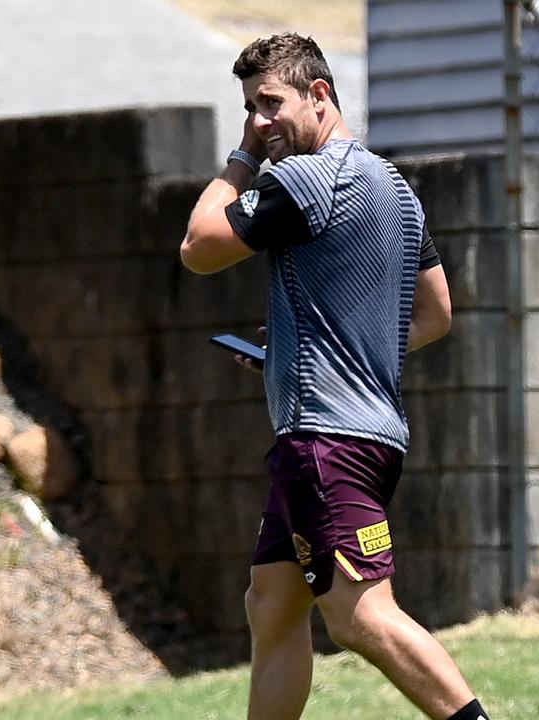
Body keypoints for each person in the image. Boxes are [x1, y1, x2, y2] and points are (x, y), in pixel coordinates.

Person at [180, 33, 491, 720]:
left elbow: (199, 248)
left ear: (319, 95)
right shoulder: (395, 189)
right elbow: (436, 314)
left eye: (269, 104)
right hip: (361, 438)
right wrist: (324, 345)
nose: (261, 123)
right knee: (271, 603)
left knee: (359, 617)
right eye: (249, 110)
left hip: (326, 443)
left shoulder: (302, 178)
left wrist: (240, 157)